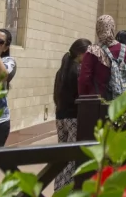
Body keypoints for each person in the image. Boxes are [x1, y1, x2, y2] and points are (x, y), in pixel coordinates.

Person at [52, 38, 90, 190]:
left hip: (60, 115)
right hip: (73, 117)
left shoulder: (61, 71)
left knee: (62, 153)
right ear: (81, 54)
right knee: (72, 156)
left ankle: (58, 186)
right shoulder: (79, 70)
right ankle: (66, 188)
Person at [78, 16, 126, 99]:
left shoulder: (92, 51)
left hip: (98, 103)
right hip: (121, 103)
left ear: (98, 29)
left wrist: (85, 98)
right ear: (112, 28)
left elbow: (84, 79)